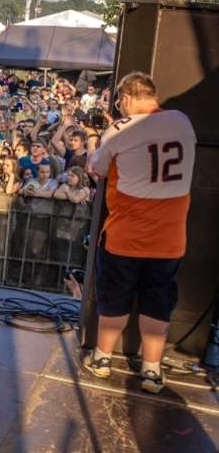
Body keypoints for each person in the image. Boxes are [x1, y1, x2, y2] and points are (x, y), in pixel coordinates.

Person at [83, 71, 196, 395]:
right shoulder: (183, 121)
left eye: (119, 103)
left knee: (115, 298)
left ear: (127, 98)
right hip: (170, 239)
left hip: (126, 236)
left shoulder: (121, 127)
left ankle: (103, 359)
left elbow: (98, 167)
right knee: (158, 302)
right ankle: (151, 370)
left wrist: (101, 135)